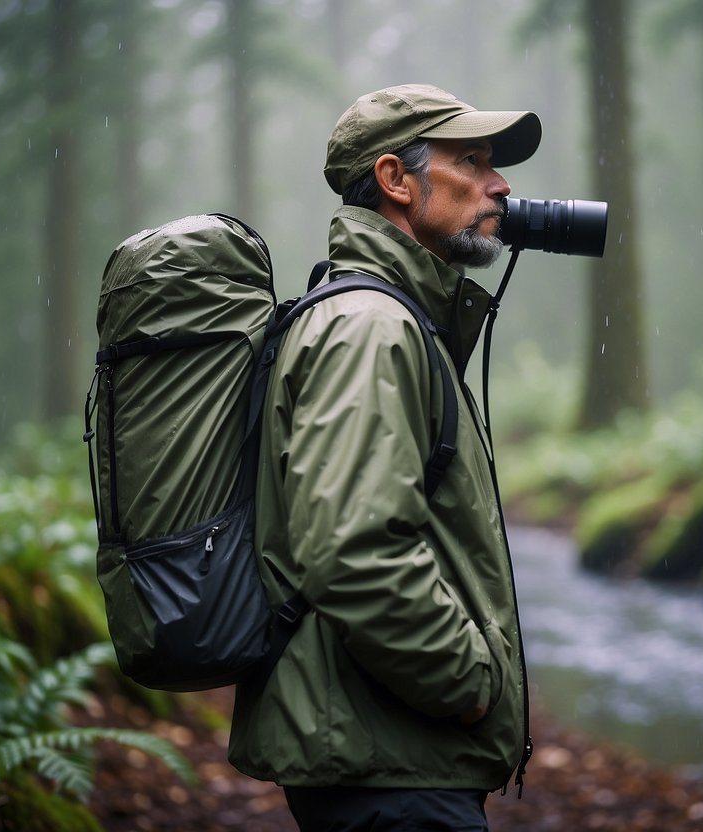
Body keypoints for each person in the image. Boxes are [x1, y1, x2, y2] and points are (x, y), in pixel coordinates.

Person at [228, 83, 542, 831]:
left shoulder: (391, 319)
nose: (500, 185)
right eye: (473, 161)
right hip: (388, 767)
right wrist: (469, 681)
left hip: (386, 753)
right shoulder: (373, 328)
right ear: (397, 180)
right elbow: (353, 550)